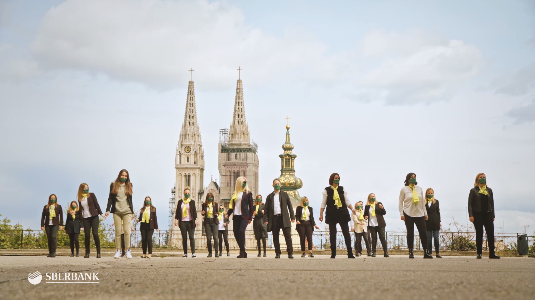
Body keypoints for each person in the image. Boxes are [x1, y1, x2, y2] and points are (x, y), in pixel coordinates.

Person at [319, 173, 356, 259]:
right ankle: (333, 253)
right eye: (335, 178)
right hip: (332, 213)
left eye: (338, 178)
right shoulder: (326, 190)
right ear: (332, 179)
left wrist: (352, 208)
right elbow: (323, 203)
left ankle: (350, 253)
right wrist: (321, 214)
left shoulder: (342, 189)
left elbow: (347, 200)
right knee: (332, 234)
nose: (337, 179)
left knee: (346, 233)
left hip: (342, 212)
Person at [399, 173, 433, 259]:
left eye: (414, 177)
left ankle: (426, 252)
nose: (413, 179)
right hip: (408, 213)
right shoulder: (404, 189)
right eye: (411, 177)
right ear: (408, 179)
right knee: (410, 233)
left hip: (419, 213)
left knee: (423, 233)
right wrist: (401, 214)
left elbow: (422, 202)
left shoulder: (419, 189)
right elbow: (400, 202)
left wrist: (425, 213)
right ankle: (411, 251)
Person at [469, 173, 500, 259]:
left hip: (488, 214)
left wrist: (493, 214)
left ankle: (492, 253)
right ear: (477, 179)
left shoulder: (489, 190)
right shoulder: (473, 190)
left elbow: (492, 203)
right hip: (477, 214)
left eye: (484, 177)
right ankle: (479, 253)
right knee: (479, 233)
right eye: (481, 177)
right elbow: (470, 204)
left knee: (490, 233)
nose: (482, 178)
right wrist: (471, 215)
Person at [106, 169, 135, 259]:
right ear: (119, 175)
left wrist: (132, 212)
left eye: (126, 176)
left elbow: (130, 199)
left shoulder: (129, 185)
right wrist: (107, 210)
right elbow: (110, 198)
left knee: (127, 231)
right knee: (118, 232)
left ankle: (128, 250)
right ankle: (118, 250)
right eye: (122, 175)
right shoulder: (113, 185)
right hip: (116, 211)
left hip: (127, 211)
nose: (124, 177)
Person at [265, 178, 296, 259]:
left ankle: (290, 252)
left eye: (278, 184)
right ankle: (277, 253)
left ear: (280, 185)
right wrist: (265, 219)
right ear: (273, 185)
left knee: (287, 236)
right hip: (274, 218)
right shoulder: (269, 197)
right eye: (275, 184)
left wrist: (292, 217)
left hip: (284, 218)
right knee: (275, 237)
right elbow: (266, 210)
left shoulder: (285, 195)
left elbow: (290, 206)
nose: (277, 185)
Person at [226, 177, 254, 258]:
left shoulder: (248, 193)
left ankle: (242, 252)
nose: (245, 183)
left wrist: (250, 217)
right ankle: (243, 250)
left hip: (244, 216)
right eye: (243, 182)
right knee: (235, 233)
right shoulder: (235, 194)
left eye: (246, 182)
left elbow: (251, 207)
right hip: (236, 215)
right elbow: (232, 206)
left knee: (241, 231)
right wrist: (228, 214)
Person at [78, 183, 106, 258]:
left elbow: (96, 204)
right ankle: (87, 253)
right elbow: (81, 209)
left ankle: (98, 252)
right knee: (87, 235)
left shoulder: (92, 195)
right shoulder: (80, 198)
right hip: (85, 218)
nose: (87, 189)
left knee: (95, 233)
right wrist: (81, 221)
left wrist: (101, 214)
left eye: (87, 187)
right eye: (85, 187)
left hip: (94, 216)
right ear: (82, 189)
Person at [174, 187, 198, 258]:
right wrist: (176, 220)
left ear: (190, 194)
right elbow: (178, 211)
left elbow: (194, 211)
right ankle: (185, 253)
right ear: (184, 194)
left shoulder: (192, 202)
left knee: (191, 237)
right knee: (184, 238)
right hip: (183, 222)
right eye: (186, 193)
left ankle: (193, 253)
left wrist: (196, 219)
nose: (187, 194)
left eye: (188, 193)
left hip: (190, 222)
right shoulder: (180, 202)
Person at [201, 193, 219, 258]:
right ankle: (210, 252)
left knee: (215, 237)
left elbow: (217, 212)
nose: (210, 198)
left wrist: (217, 214)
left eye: (211, 197)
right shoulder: (204, 205)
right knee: (208, 238)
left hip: (214, 221)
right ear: (207, 198)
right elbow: (203, 213)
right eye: (209, 197)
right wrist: (203, 213)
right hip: (207, 221)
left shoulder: (215, 204)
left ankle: (217, 252)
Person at [425, 188, 442, 258]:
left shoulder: (436, 201)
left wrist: (439, 221)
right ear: (426, 194)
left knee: (436, 238)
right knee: (429, 239)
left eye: (431, 193)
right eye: (429, 193)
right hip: (427, 221)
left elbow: (438, 212)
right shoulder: (424, 202)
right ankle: (430, 253)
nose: (430, 194)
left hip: (435, 221)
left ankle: (437, 253)